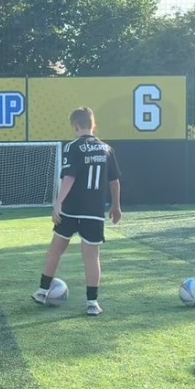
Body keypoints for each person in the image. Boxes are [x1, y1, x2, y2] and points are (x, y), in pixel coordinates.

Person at [34, 106, 122, 315]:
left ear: (75, 126)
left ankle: (42, 291)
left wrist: (58, 203)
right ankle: (92, 303)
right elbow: (115, 181)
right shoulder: (107, 149)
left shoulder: (72, 147)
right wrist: (116, 206)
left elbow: (69, 177)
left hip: (72, 208)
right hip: (93, 210)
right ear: (93, 125)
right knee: (92, 257)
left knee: (55, 250)